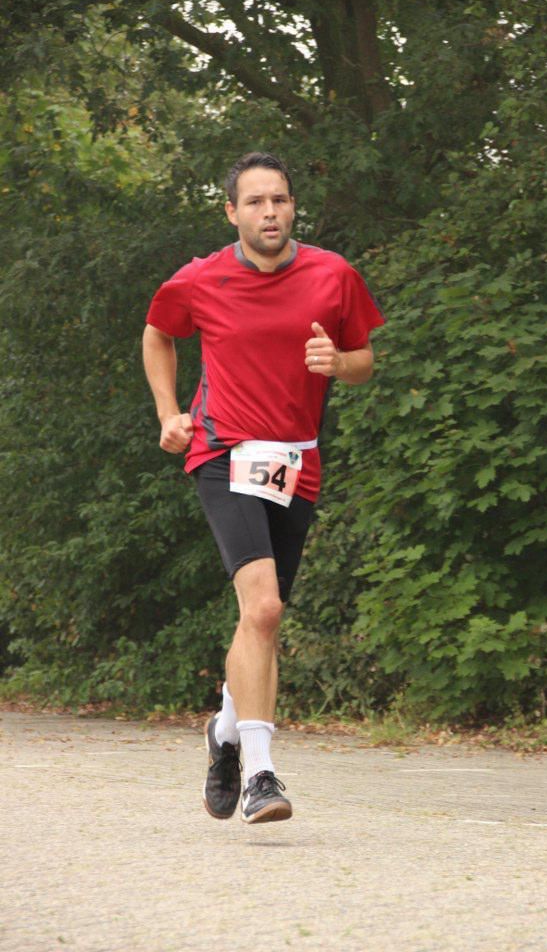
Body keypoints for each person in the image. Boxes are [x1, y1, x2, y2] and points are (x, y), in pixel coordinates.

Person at [142, 151, 384, 824]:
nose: (269, 212)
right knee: (266, 607)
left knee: (261, 621)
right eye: (254, 202)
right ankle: (261, 776)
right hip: (223, 451)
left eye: (278, 200)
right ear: (232, 212)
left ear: (293, 206)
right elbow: (158, 334)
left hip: (297, 459)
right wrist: (169, 414)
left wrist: (338, 362)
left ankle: (224, 730)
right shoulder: (201, 279)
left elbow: (364, 361)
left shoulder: (333, 275)